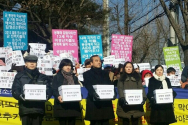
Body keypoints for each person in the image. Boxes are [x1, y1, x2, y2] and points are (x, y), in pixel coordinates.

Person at [12, 55, 53, 125]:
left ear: (36, 63)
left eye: (34, 62)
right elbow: (15, 90)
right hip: (25, 108)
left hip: (38, 108)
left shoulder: (43, 77)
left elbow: (49, 90)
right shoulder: (19, 76)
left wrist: (46, 96)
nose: (32, 64)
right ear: (25, 64)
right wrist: (20, 96)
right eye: (29, 62)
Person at [83, 55, 115, 125]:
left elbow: (109, 83)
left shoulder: (105, 73)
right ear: (91, 63)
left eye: (100, 61)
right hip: (94, 102)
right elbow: (88, 84)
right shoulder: (87, 74)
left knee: (105, 122)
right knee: (95, 122)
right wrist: (93, 93)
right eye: (96, 61)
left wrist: (113, 92)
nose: (99, 62)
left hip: (105, 102)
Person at [52, 59, 81, 125]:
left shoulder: (74, 77)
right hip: (61, 106)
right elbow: (54, 89)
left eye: (69, 65)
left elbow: (78, 88)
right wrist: (58, 96)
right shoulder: (56, 77)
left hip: (73, 105)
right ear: (62, 66)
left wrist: (79, 96)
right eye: (66, 65)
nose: (68, 67)